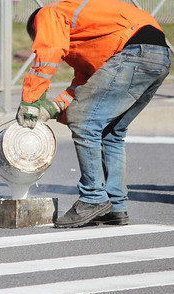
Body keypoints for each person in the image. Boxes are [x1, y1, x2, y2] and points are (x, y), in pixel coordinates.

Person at [16, 0, 171, 228]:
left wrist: (30, 101)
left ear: (36, 30)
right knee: (111, 131)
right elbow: (86, 85)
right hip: (158, 54)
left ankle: (93, 198)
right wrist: (53, 108)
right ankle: (116, 207)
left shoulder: (49, 14)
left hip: (133, 51)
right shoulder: (92, 35)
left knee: (84, 121)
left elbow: (48, 52)